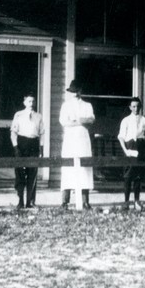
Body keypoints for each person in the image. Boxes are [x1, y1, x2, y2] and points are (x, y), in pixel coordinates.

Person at [59, 79, 95, 209]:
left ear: (80, 91)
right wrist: (81, 121)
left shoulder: (87, 105)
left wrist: (77, 120)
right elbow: (64, 121)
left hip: (83, 139)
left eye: (77, 91)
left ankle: (85, 201)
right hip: (70, 140)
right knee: (68, 168)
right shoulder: (66, 105)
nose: (75, 93)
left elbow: (91, 120)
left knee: (84, 168)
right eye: (72, 91)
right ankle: (65, 201)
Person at [117, 97, 145, 211]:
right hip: (129, 148)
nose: (136, 108)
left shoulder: (144, 120)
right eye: (133, 106)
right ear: (130, 107)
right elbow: (121, 137)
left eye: (138, 106)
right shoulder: (126, 120)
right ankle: (126, 202)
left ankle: (137, 201)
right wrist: (126, 151)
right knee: (128, 176)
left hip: (141, 148)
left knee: (138, 176)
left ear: (140, 107)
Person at [10, 94, 44, 208]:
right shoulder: (18, 115)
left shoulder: (38, 116)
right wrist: (15, 147)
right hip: (22, 143)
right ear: (24, 103)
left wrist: (41, 148)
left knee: (32, 173)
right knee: (20, 173)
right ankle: (20, 200)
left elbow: (42, 133)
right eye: (29, 101)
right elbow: (13, 132)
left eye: (33, 101)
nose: (31, 104)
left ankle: (30, 201)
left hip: (33, 144)